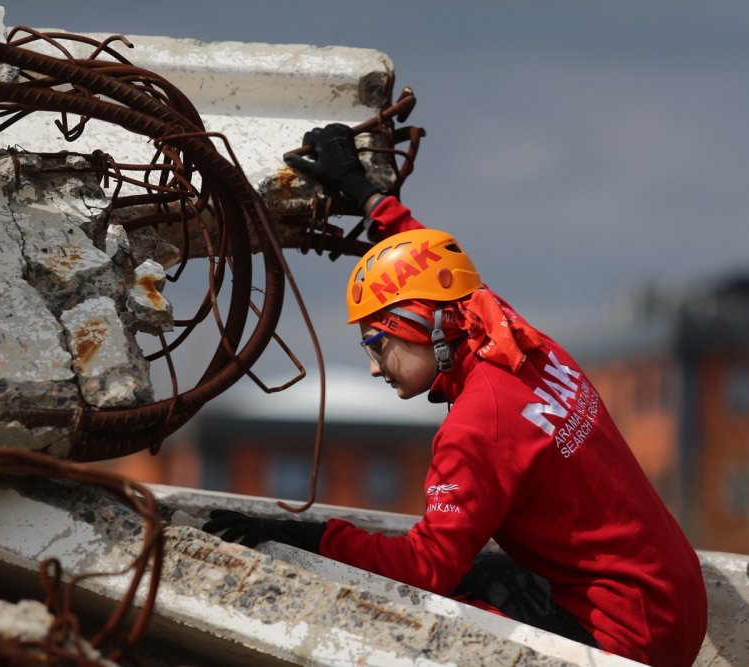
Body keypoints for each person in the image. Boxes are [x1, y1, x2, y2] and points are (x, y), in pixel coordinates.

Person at [203, 124, 708, 666]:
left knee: (400, 619)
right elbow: (444, 274)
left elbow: (427, 568)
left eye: (377, 345)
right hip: (672, 605)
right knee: (474, 576)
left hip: (625, 640)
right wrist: (371, 195)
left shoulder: (476, 426)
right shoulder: (512, 338)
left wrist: (311, 537)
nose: (375, 369)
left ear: (421, 326)